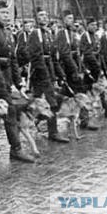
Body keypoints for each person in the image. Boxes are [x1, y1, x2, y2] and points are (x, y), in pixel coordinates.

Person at [0, 0, 35, 162]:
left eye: (7, 13)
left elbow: (13, 61)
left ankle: (6, 146)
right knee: (9, 112)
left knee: (5, 113)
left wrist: (18, 83)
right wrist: (2, 83)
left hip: (6, 79)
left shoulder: (8, 34)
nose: (6, 16)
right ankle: (15, 149)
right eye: (2, 13)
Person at [28, 8, 70, 142]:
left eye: (46, 15)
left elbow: (52, 57)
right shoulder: (35, 34)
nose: (44, 17)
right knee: (52, 101)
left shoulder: (48, 34)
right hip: (39, 73)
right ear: (36, 18)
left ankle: (38, 118)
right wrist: (45, 74)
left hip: (48, 69)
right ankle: (53, 132)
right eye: (41, 15)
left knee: (42, 100)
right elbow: (35, 56)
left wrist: (59, 74)